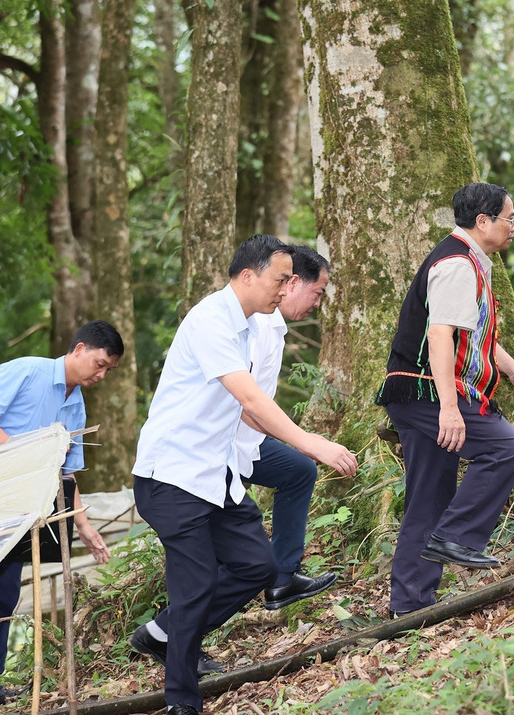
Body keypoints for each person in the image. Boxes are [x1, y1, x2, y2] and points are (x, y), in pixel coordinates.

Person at [128, 235, 357, 715]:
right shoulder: (212, 320)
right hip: (172, 476)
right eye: (280, 279)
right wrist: (310, 443)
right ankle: (182, 701)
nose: (285, 288)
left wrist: (294, 439)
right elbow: (251, 399)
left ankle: (168, 634)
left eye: (291, 280)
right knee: (195, 589)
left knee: (259, 566)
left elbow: (249, 409)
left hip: (215, 474)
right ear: (247, 276)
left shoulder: (253, 327)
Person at [0, 320, 124, 709]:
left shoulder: (76, 405)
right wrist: (17, 452)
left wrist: (82, 523)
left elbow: (66, 471)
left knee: (1, 592)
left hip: (18, 507)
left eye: (108, 370)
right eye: (100, 363)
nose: (101, 374)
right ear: (79, 349)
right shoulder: (27, 370)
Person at [375, 182, 514, 618]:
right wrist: (450, 409)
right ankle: (457, 538)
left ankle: (410, 606)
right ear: (483, 222)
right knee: (504, 447)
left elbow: (473, 334)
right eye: (509, 218)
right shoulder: (456, 264)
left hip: (418, 390)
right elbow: (440, 336)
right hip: (425, 390)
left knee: (428, 494)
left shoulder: (469, 260)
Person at [235, 245, 338, 610]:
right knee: (227, 546)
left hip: (249, 440)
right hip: (222, 446)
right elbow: (245, 403)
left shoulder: (274, 327)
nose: (317, 304)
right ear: (293, 282)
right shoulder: (258, 326)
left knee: (297, 471)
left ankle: (282, 579)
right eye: (318, 293)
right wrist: (307, 440)